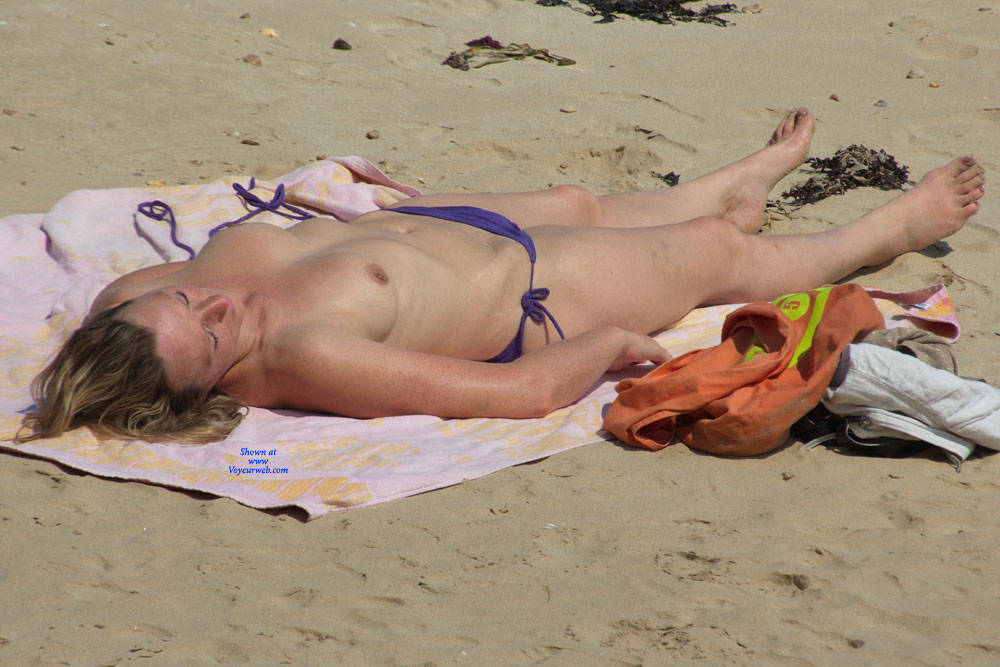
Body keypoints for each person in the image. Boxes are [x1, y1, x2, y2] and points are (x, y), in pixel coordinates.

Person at [18, 108, 986, 444]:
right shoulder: (308, 356)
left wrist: (131, 336)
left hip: (436, 229)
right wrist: (608, 344)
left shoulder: (127, 311)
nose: (216, 300)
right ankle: (884, 229)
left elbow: (128, 325)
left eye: (186, 297)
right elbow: (515, 393)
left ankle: (731, 184)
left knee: (578, 198)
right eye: (214, 334)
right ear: (209, 386)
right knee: (717, 256)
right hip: (537, 295)